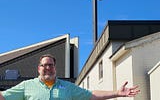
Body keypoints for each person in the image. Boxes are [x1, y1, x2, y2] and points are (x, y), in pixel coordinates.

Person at [0, 54, 140, 100]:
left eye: (51, 65)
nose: (47, 68)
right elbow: (4, 97)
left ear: (55, 67)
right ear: (38, 68)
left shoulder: (67, 87)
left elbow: (91, 95)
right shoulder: (26, 86)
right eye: (44, 65)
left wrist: (117, 93)